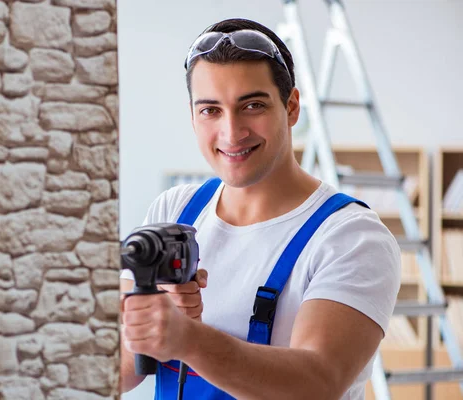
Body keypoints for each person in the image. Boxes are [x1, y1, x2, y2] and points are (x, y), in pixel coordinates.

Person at [119, 17, 401, 400]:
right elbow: (116, 373)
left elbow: (317, 383)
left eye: (252, 105)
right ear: (192, 116)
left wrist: (188, 339)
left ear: (291, 107)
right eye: (210, 110)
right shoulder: (174, 211)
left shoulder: (351, 237)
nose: (232, 132)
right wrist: (146, 328)